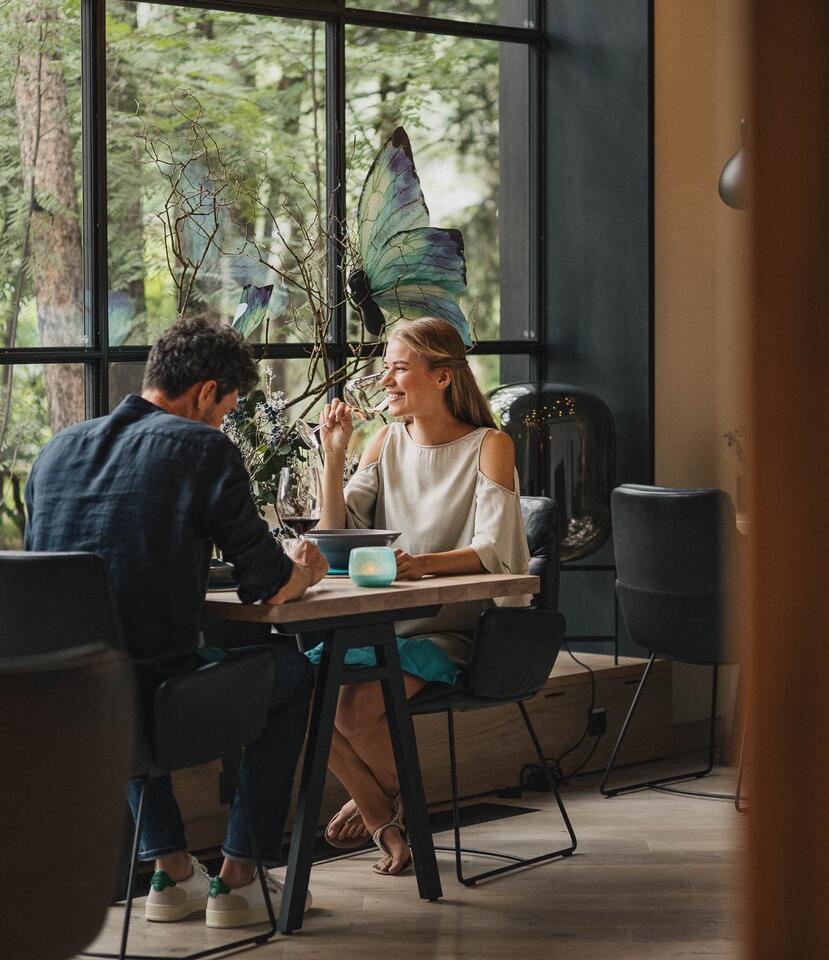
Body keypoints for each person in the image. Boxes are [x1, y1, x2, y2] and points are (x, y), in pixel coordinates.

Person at [24, 317, 327, 928]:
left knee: (123, 663)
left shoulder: (57, 450)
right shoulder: (203, 447)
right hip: (160, 706)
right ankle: (240, 879)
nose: (222, 423)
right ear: (206, 392)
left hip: (62, 709)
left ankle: (172, 870)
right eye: (225, 409)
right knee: (294, 671)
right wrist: (307, 570)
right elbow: (268, 583)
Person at [314, 316, 531, 876]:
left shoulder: (491, 445)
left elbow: (494, 551)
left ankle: (383, 810)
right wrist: (334, 456)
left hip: (448, 629)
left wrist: (418, 567)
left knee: (356, 708)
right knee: (300, 697)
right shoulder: (383, 442)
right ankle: (384, 807)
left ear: (441, 377)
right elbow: (336, 534)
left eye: (399, 368)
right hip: (381, 623)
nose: (385, 379)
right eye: (384, 367)